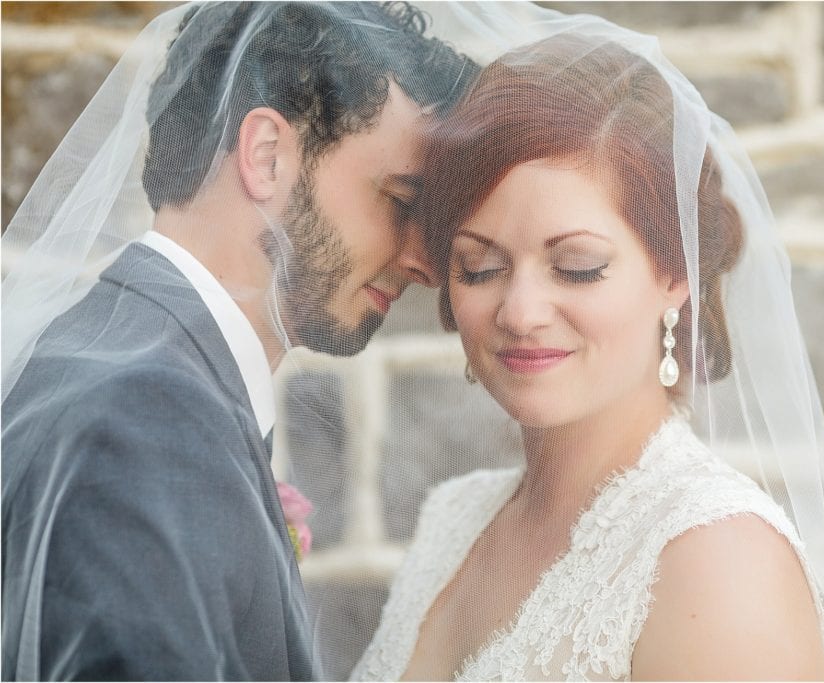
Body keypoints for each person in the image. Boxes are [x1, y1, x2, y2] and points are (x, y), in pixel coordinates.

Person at [350, 28, 824, 682]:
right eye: (479, 267)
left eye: (577, 267)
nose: (520, 312)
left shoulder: (718, 562)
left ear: (675, 272)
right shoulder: (454, 517)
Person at [1, 2, 476, 680]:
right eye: (400, 202)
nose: (424, 263)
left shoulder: (125, 365)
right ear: (266, 156)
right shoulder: (145, 422)